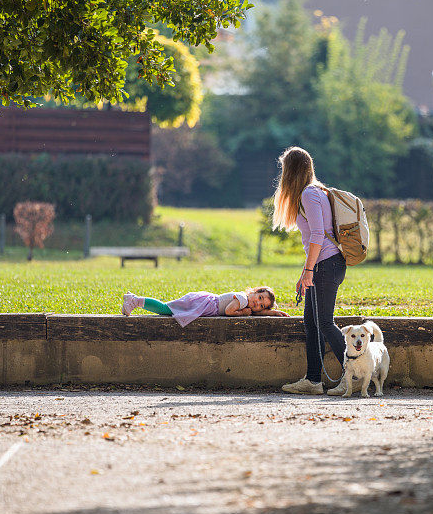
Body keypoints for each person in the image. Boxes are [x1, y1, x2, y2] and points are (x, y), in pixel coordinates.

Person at [272, 146, 349, 396]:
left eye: (284, 169)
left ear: (291, 171)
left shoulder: (308, 194)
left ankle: (353, 377)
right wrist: (305, 273)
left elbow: (318, 235)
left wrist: (308, 270)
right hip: (324, 265)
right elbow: (315, 239)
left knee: (325, 323)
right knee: (311, 323)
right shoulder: (314, 192)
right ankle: (314, 380)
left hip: (326, 265)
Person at [121, 287, 289, 327]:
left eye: (261, 306)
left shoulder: (247, 302)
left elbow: (251, 312)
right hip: (203, 304)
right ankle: (134, 300)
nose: (257, 304)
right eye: (259, 298)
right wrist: (242, 314)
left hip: (203, 302)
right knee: (167, 309)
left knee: (167, 310)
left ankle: (135, 301)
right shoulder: (243, 299)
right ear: (253, 292)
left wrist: (271, 312)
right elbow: (230, 311)